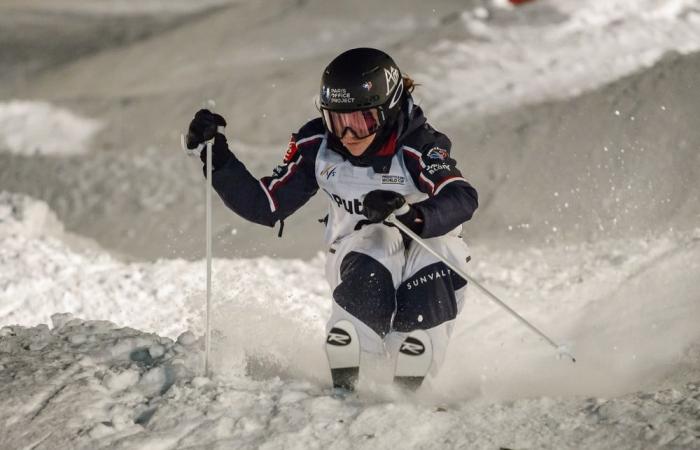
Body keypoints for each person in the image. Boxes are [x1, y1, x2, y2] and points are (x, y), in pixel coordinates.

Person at [185, 47, 478, 392]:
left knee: (434, 253)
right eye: (338, 121)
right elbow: (267, 204)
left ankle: (412, 358)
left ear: (390, 110)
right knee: (378, 240)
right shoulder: (318, 145)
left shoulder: (419, 145)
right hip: (358, 256)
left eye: (362, 121)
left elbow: (462, 196)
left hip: (428, 253)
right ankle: (357, 352)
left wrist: (410, 216)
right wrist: (217, 159)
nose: (349, 136)